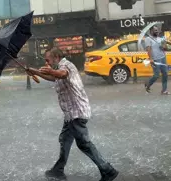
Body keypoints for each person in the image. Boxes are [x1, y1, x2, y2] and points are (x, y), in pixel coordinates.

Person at [26, 47, 118, 181]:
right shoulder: (58, 68)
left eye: (48, 60)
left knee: (84, 144)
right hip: (71, 114)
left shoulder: (65, 65)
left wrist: (51, 70)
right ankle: (58, 170)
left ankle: (108, 170)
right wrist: (35, 71)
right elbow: (54, 77)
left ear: (56, 57)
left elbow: (62, 74)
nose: (47, 63)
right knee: (65, 139)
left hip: (77, 112)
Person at [144, 25, 171, 95]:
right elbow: (148, 49)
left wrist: (163, 46)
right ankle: (148, 84)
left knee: (165, 74)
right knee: (156, 75)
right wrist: (151, 59)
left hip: (163, 58)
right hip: (155, 59)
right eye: (155, 30)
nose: (156, 31)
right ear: (151, 31)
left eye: (157, 30)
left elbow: (166, 48)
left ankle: (164, 90)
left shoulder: (161, 39)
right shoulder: (148, 39)